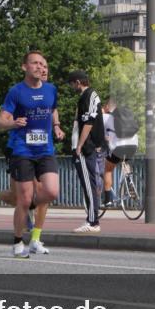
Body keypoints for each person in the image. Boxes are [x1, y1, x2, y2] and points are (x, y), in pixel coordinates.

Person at [0, 63, 60, 253]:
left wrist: (57, 126)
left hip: (42, 150)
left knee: (43, 194)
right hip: (19, 149)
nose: (43, 70)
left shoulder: (49, 92)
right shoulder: (20, 92)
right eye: (39, 66)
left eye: (46, 67)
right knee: (21, 197)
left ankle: (35, 239)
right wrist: (13, 123)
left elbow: (52, 110)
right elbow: (1, 120)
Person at [67, 70, 107, 233]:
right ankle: (91, 220)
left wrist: (79, 145)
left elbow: (89, 122)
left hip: (85, 148)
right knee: (88, 184)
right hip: (84, 146)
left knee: (89, 184)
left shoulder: (89, 96)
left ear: (77, 82)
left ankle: (93, 221)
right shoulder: (87, 96)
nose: (71, 87)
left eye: (72, 84)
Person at [102, 97, 139, 207]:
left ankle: (108, 200)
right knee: (125, 161)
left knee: (107, 169)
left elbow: (97, 128)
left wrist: (101, 111)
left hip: (118, 147)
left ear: (107, 106)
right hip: (133, 145)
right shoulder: (127, 115)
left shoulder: (106, 117)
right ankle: (129, 181)